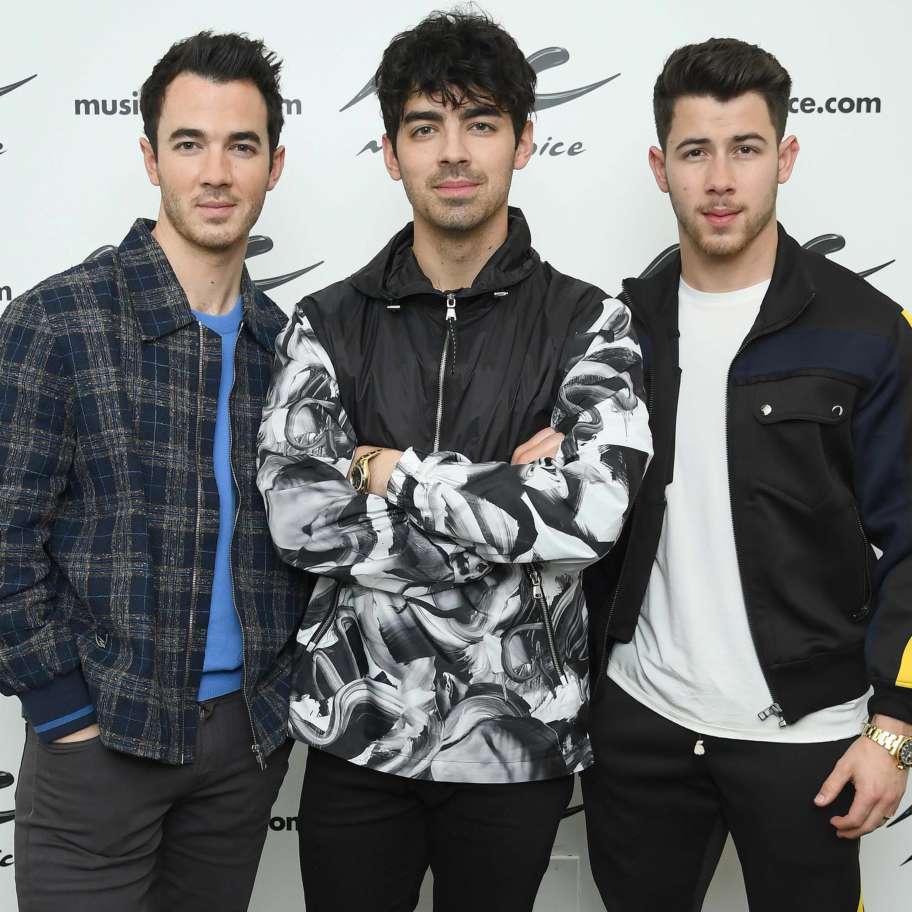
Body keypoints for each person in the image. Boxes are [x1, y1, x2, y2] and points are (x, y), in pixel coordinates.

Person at [256, 10, 651, 912]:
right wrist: (514, 512)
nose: (454, 152)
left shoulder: (592, 322)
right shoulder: (326, 321)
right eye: (426, 127)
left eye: (480, 123)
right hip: (360, 735)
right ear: (391, 153)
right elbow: (298, 518)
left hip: (517, 743)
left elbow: (591, 515)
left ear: (524, 141)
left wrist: (389, 471)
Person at [582, 37, 912, 912]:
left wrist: (897, 726)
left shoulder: (868, 331)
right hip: (641, 725)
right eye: (695, 152)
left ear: (785, 157)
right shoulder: (617, 330)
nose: (721, 179)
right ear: (661, 168)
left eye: (746, 148)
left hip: (809, 737)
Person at [0, 31, 310, 912]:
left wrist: (279, 698)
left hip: (243, 751)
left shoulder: (288, 348)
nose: (215, 172)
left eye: (241, 145)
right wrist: (62, 708)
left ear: (274, 165)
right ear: (150, 158)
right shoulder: (59, 321)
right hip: (99, 745)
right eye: (188, 143)